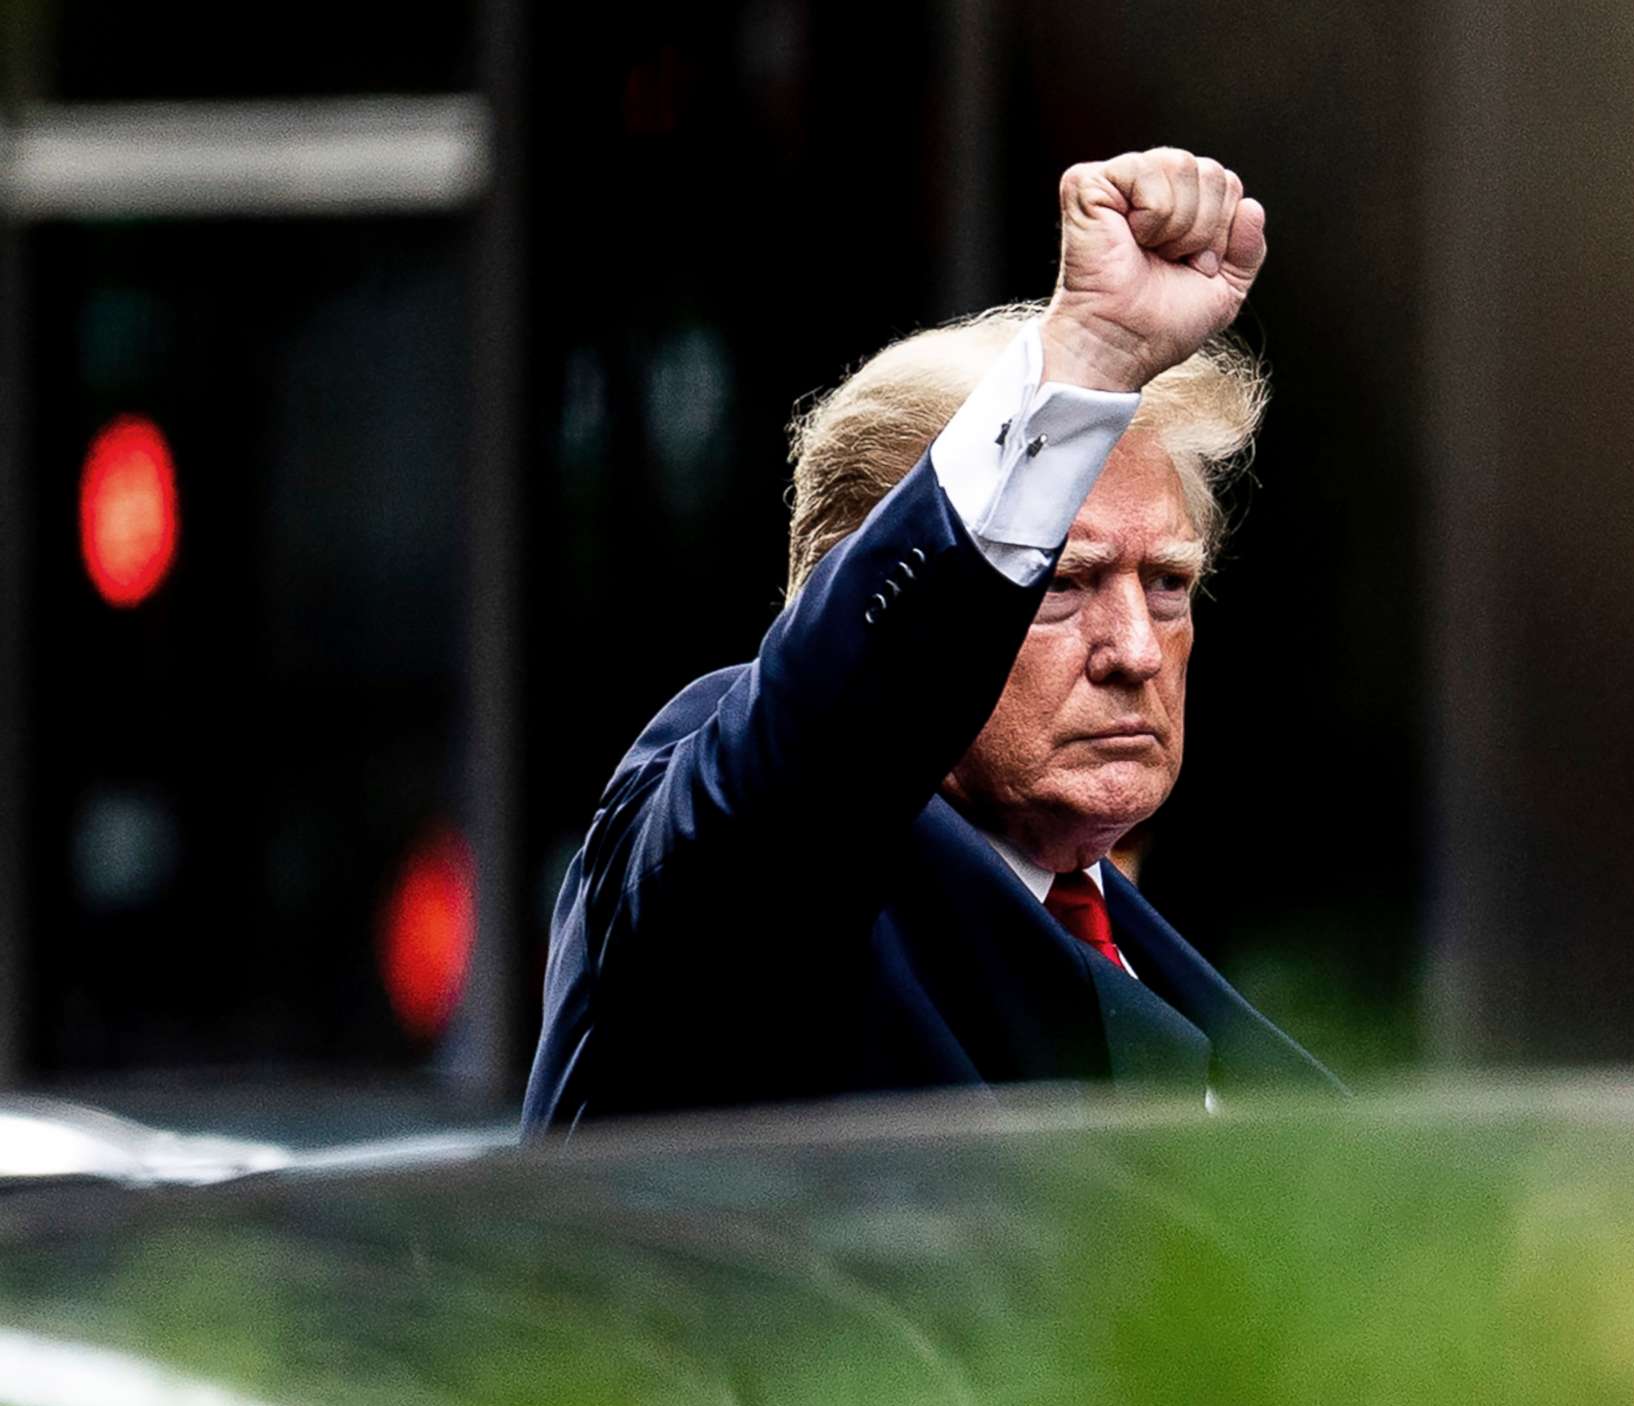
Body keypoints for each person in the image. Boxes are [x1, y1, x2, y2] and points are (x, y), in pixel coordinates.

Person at [522, 149, 1340, 1134]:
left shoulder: (1137, 945)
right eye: (1060, 583)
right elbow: (814, 748)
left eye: (1167, 583)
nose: (1134, 647)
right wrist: (1080, 370)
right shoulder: (764, 863)